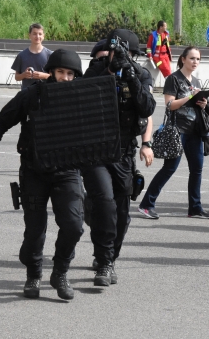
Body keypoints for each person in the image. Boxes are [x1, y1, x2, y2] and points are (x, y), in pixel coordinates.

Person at [0, 49, 85, 300]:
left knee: (74, 226)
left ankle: (60, 272)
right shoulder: (32, 95)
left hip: (68, 170)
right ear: (51, 72)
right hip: (34, 170)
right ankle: (33, 274)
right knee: (35, 231)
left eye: (71, 74)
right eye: (60, 72)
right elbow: (0, 122)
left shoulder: (83, 97)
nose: (65, 78)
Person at [83, 29, 156, 286]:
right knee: (104, 203)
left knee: (122, 213)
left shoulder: (141, 74)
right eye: (113, 51)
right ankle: (103, 262)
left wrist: (131, 76)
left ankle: (110, 257)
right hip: (97, 150)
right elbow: (82, 103)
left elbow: (147, 108)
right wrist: (109, 73)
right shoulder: (96, 70)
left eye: (122, 53)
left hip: (124, 152)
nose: (116, 57)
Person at [138, 46, 209, 219]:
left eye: (198, 59)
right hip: (177, 130)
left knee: (197, 169)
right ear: (183, 59)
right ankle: (147, 204)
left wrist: (202, 103)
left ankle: (195, 207)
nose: (195, 62)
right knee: (170, 168)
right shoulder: (173, 79)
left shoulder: (197, 81)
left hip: (194, 131)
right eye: (192, 58)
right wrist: (190, 98)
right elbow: (170, 105)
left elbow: (197, 104)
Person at [11, 23, 52, 89]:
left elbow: (55, 77)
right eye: (34, 34)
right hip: (27, 94)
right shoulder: (21, 55)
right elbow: (17, 77)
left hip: (44, 94)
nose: (37, 36)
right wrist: (24, 75)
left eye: (40, 34)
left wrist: (43, 75)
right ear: (29, 35)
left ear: (43, 36)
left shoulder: (50, 55)